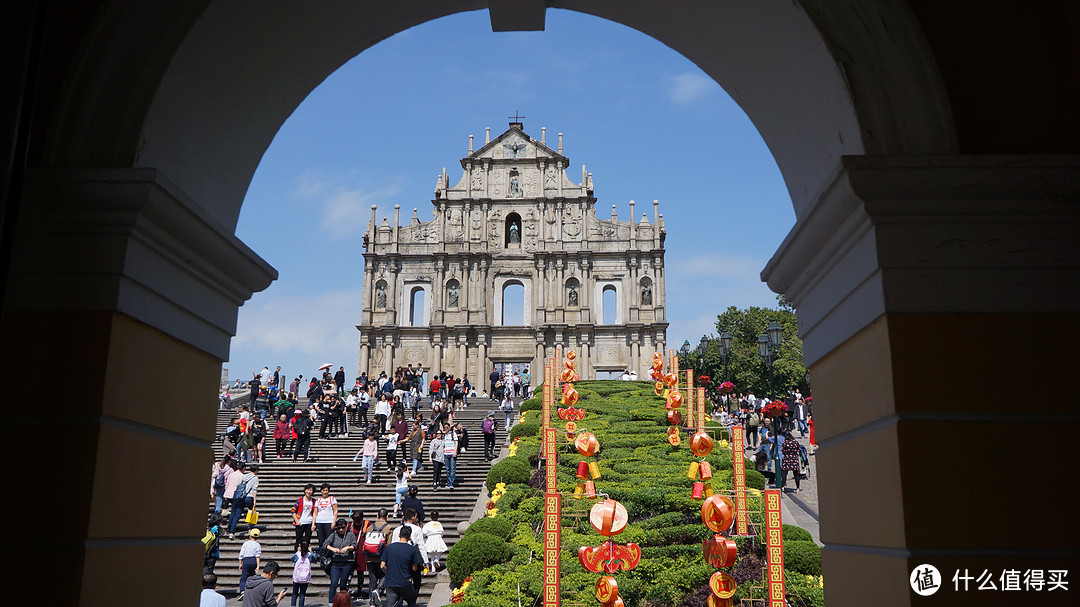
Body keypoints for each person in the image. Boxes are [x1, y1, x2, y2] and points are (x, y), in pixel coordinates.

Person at [363, 509, 394, 604]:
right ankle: (379, 590)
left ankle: (372, 602)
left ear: (377, 516)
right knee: (386, 575)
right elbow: (389, 545)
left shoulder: (370, 527)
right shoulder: (388, 528)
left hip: (369, 557)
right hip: (381, 558)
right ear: (387, 516)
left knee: (372, 580)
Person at [322, 518, 357, 605]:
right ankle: (331, 602)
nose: (341, 530)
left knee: (343, 585)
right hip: (335, 563)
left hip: (346, 563)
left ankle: (343, 602)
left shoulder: (350, 535)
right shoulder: (334, 534)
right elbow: (325, 544)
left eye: (343, 527)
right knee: (333, 583)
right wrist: (333, 549)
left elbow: (354, 545)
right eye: (339, 528)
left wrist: (348, 548)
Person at [238, 528, 263, 598]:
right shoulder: (258, 545)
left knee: (244, 577)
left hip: (246, 560)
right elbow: (258, 556)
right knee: (252, 576)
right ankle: (251, 591)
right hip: (253, 560)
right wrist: (258, 566)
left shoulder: (245, 543)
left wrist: (240, 563)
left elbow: (241, 554)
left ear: (250, 535)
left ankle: (243, 590)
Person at [291, 484, 316, 551]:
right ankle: (297, 554)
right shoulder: (300, 500)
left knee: (307, 539)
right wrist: (296, 521)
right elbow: (293, 510)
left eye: (311, 490)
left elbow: (314, 513)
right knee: (298, 539)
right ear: (305, 490)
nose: (309, 492)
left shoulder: (313, 501)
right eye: (307, 490)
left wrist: (313, 524)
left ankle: (306, 554)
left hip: (309, 522)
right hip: (300, 522)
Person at [290, 541, 315, 607]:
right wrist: (311, 551)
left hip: (297, 577)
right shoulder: (310, 555)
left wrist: (298, 551)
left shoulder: (297, 555)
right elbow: (314, 559)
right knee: (302, 594)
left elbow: (292, 559)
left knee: (294, 593)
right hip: (305, 578)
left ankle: (293, 605)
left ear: (299, 545)